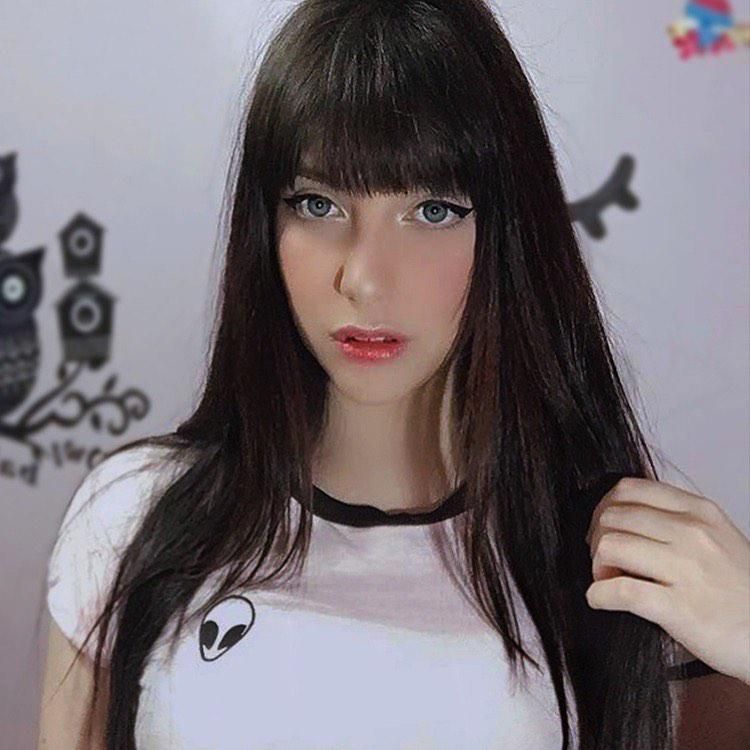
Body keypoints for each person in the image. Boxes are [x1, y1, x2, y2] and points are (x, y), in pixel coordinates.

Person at [38, 1, 750, 748]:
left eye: (433, 210)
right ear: (264, 224)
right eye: (318, 204)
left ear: (507, 230)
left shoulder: (624, 560)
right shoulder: (136, 518)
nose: (366, 279)